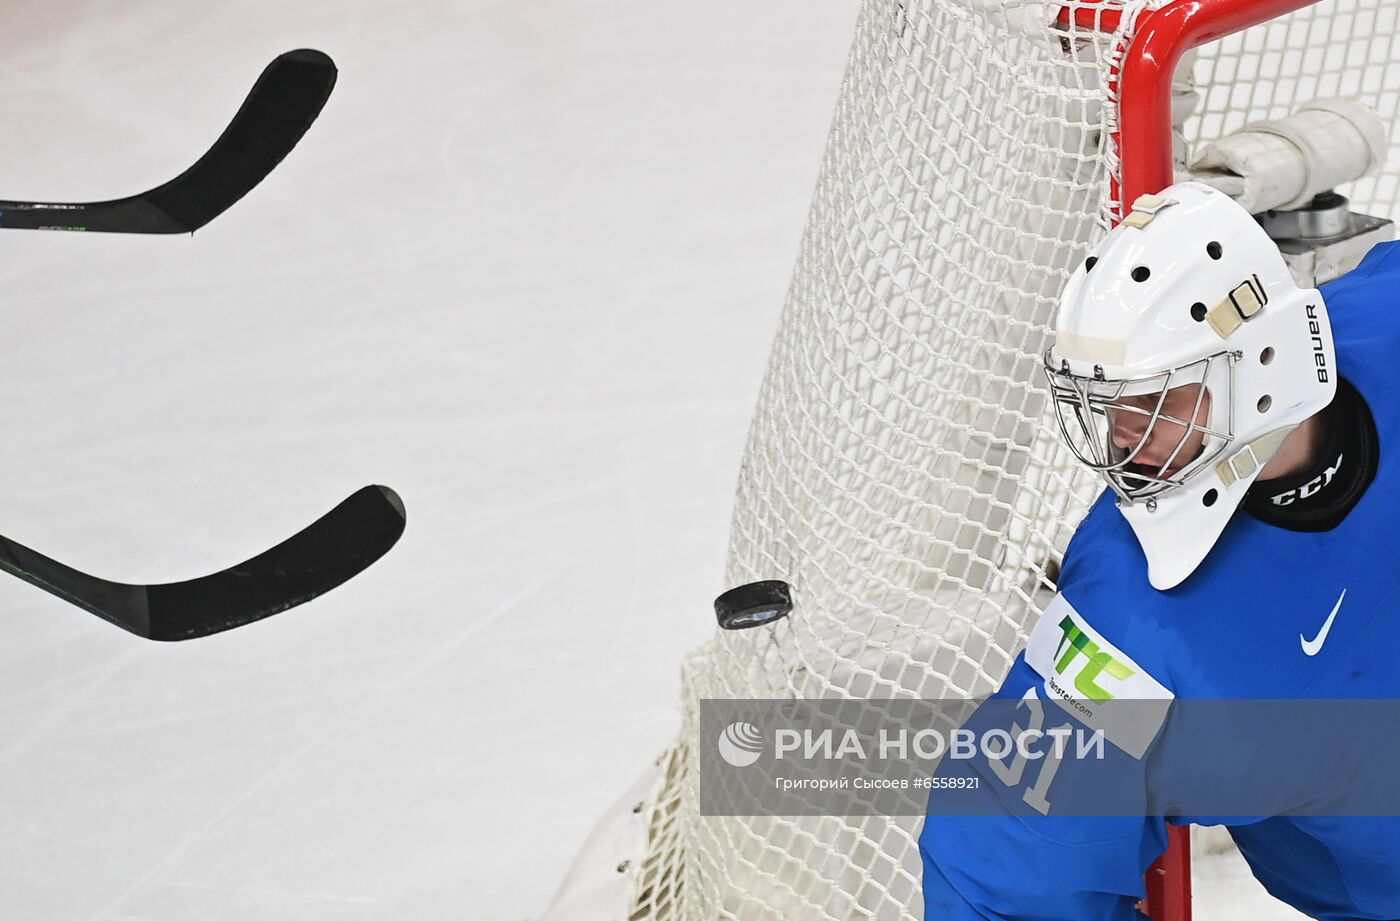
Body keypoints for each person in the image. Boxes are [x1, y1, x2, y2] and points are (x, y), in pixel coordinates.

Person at [919, 181, 1400, 920]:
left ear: (1267, 364)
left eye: (1158, 399)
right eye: (1109, 403)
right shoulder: (1133, 626)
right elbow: (1000, 876)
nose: (1121, 437)